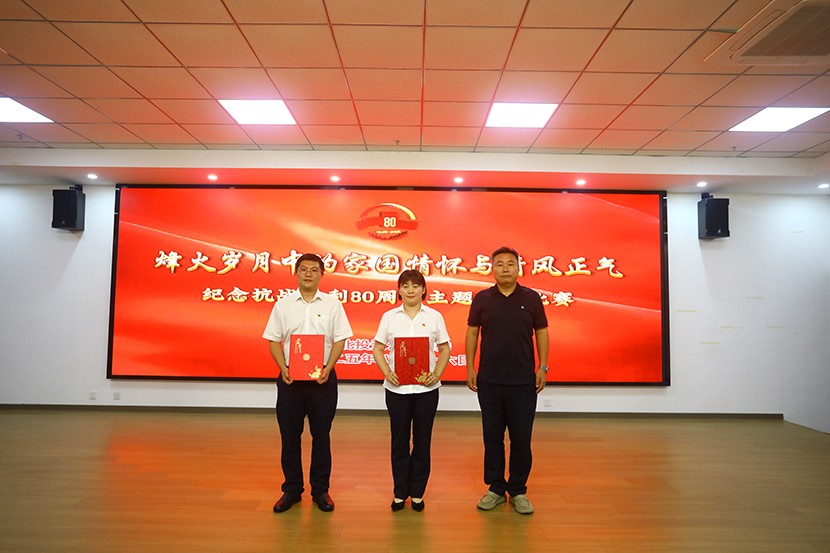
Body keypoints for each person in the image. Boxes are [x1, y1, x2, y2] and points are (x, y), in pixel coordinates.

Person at [263, 253, 353, 513]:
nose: (309, 274)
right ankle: (292, 489)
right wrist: (283, 368)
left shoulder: (333, 304)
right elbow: (273, 339)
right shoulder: (283, 305)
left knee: (321, 436)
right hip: (290, 379)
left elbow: (340, 339)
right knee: (289, 436)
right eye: (304, 269)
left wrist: (328, 367)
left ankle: (320, 490)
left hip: (322, 379)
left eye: (314, 270)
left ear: (322, 274)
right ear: (296, 273)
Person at [465, 246, 549, 515]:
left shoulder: (532, 298)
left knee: (521, 438)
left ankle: (518, 490)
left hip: (523, 381)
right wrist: (470, 367)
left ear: (518, 268)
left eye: (510, 264)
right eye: (499, 264)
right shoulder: (482, 299)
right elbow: (472, 333)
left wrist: (543, 367)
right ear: (492, 269)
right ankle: (496, 488)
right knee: (492, 436)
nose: (505, 269)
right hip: (489, 380)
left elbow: (542, 332)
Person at [373, 270, 451, 512]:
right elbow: (377, 348)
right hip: (397, 390)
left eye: (415, 286)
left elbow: (445, 349)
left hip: (427, 390)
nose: (410, 290)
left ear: (424, 290)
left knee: (422, 441)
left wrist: (437, 373)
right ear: (399, 290)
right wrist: (387, 372)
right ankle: (400, 492)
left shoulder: (435, 316)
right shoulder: (389, 317)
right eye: (405, 286)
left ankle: (417, 492)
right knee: (399, 441)